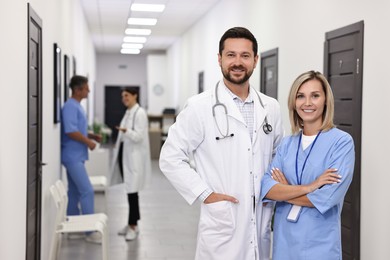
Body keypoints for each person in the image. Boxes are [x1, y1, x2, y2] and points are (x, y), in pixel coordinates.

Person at [159, 27, 283, 260]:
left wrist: (270, 193)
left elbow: (278, 154)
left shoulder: (271, 108)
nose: (238, 62)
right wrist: (205, 194)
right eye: (231, 55)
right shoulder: (199, 107)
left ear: (256, 60)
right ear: (219, 59)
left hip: (261, 218)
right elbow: (170, 157)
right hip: (223, 222)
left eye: (245, 56)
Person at [260, 70, 355, 260]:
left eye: (315, 96)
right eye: (300, 96)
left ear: (326, 100)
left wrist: (285, 189)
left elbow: (327, 198)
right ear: (293, 103)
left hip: (320, 245)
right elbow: (267, 189)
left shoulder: (341, 143)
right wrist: (310, 187)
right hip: (284, 243)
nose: (308, 103)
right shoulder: (287, 144)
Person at [61, 75, 102, 243]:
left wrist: (91, 135)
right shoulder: (70, 106)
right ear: (78, 90)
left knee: (74, 191)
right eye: (86, 87)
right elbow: (70, 131)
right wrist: (88, 142)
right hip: (72, 156)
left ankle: (72, 225)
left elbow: (77, 128)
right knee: (87, 191)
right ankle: (89, 231)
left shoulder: (76, 106)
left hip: (75, 155)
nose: (89, 90)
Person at [110, 87, 151, 241]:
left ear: (135, 95)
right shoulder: (129, 112)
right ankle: (131, 223)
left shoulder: (139, 113)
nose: (124, 98)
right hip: (126, 156)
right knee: (130, 192)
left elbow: (139, 137)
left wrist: (126, 131)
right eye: (122, 96)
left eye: (127, 95)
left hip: (134, 159)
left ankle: (133, 226)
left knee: (133, 193)